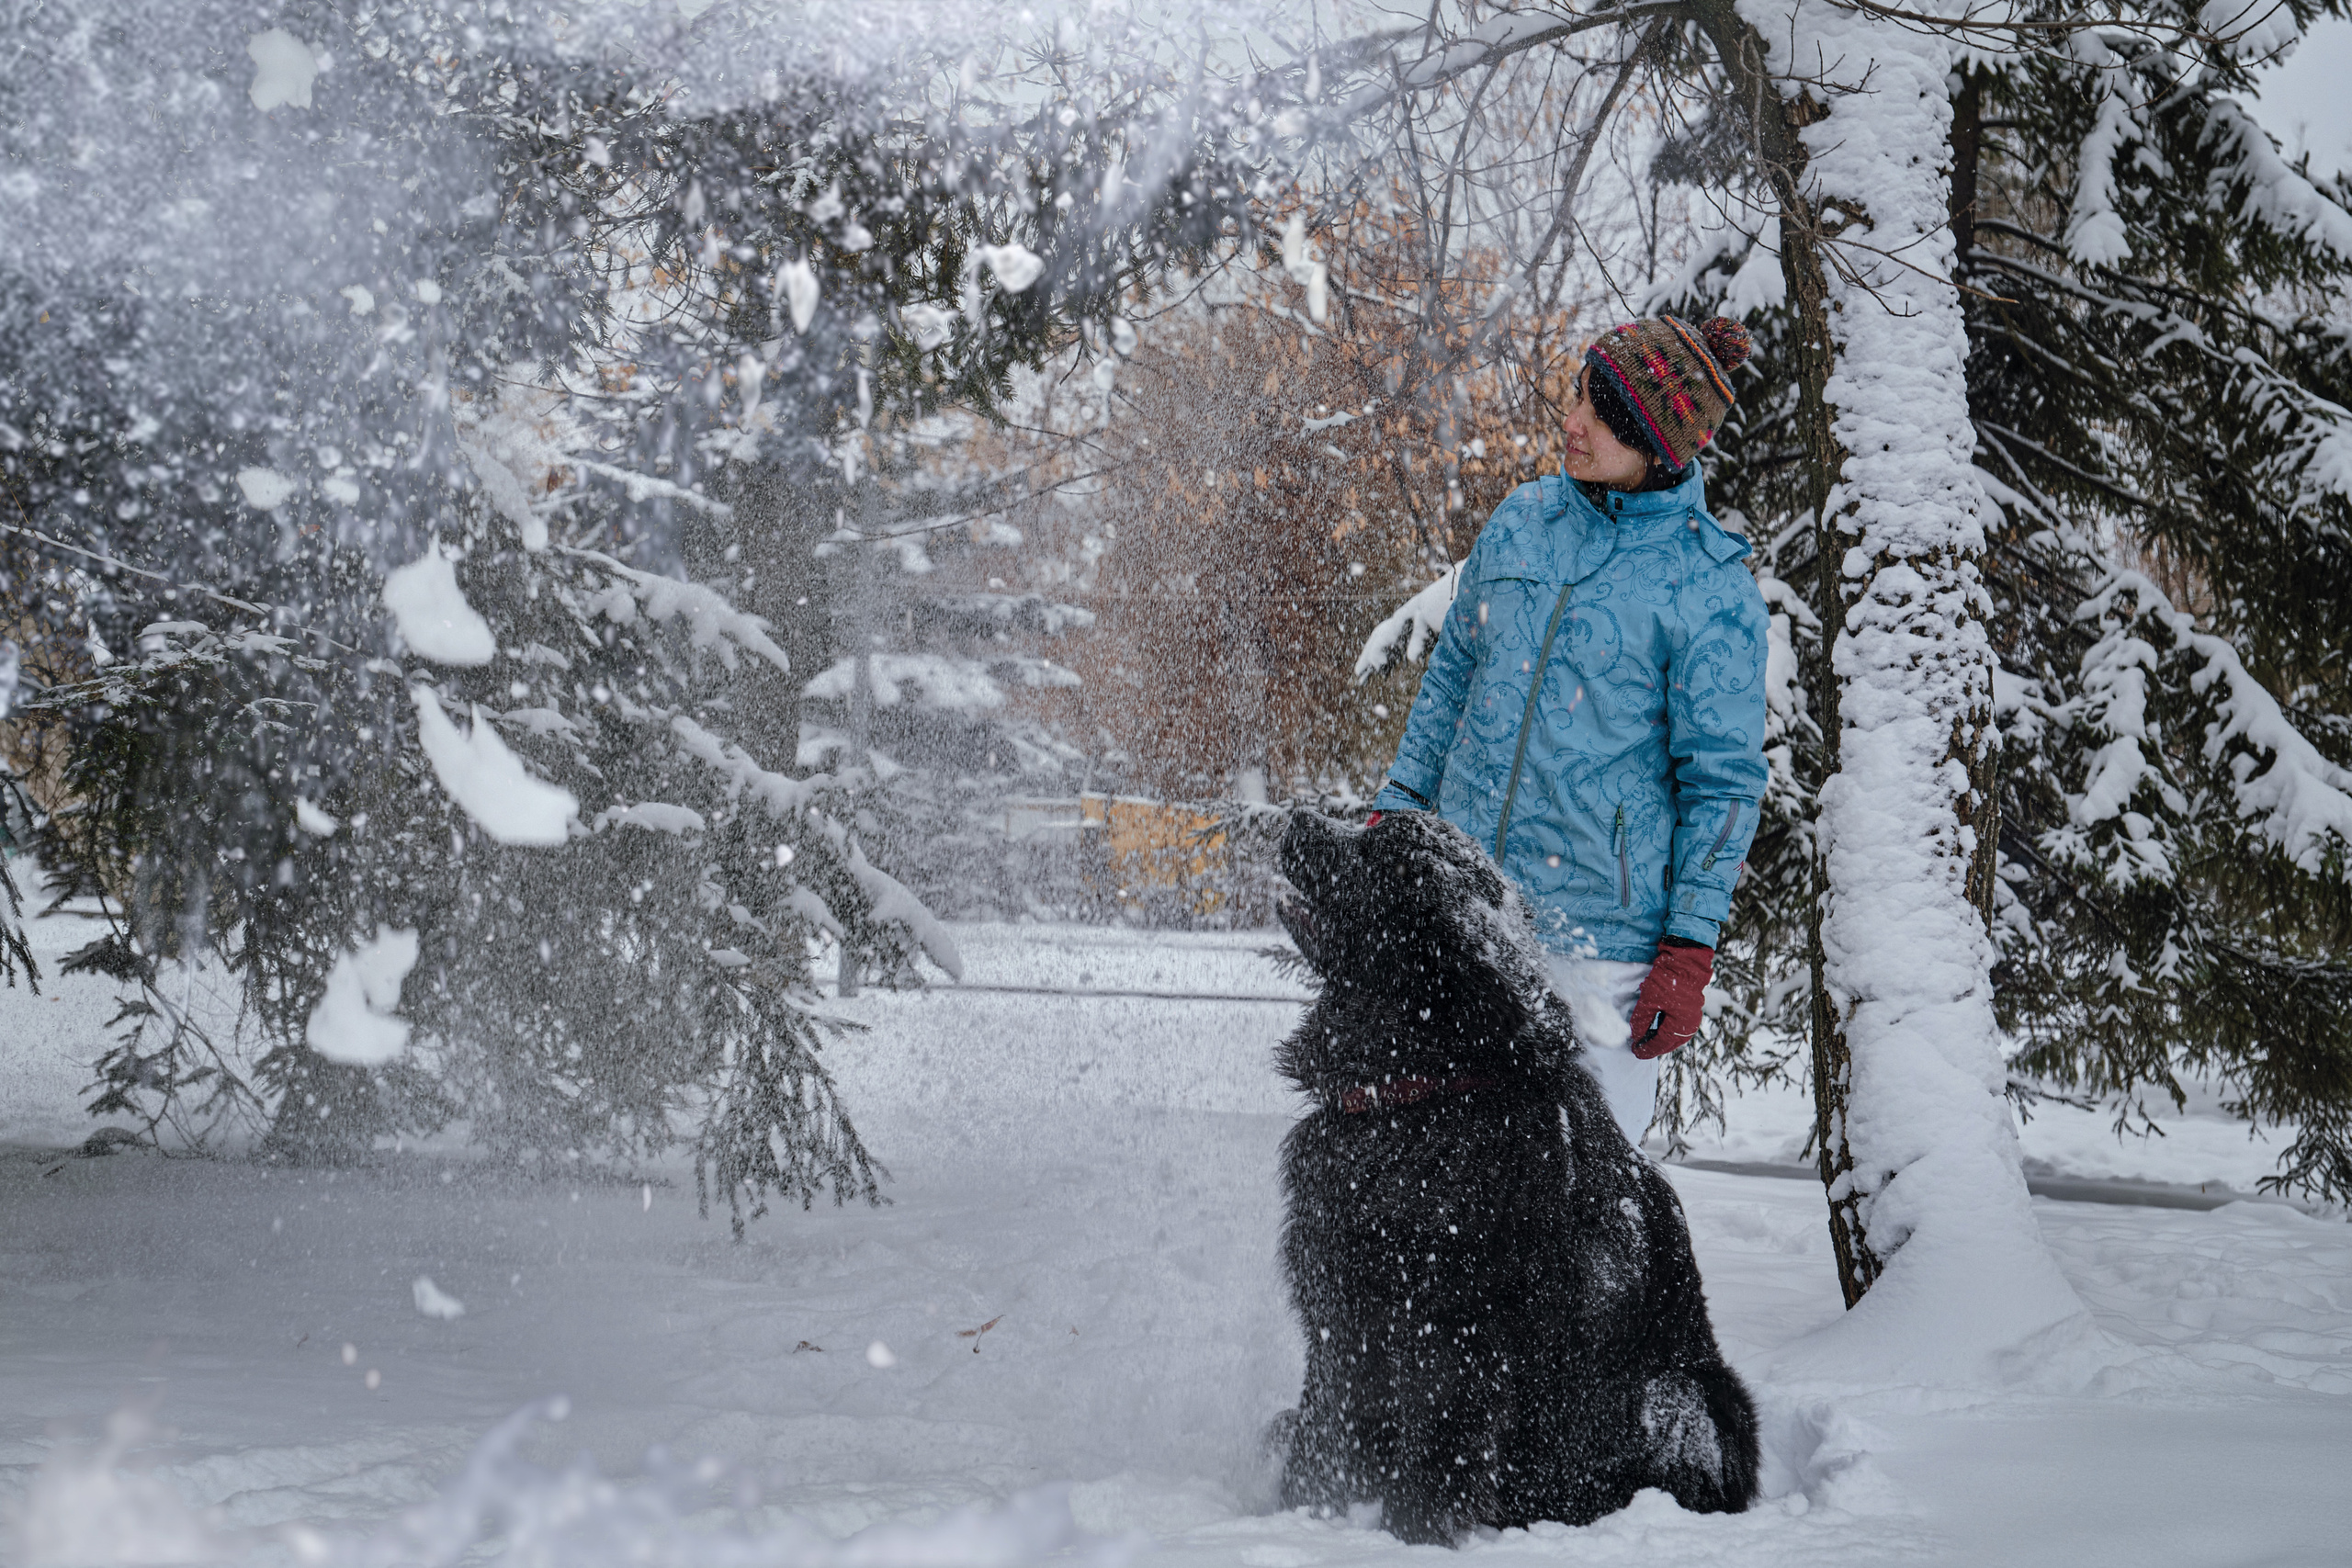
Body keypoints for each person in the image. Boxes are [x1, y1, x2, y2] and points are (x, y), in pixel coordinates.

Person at [1369, 316, 1769, 1146]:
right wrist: (1400, 803)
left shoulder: (1707, 586)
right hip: (1467, 916)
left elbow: (1723, 786)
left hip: (1599, 952)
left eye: (1604, 415)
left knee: (1578, 1218)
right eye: (1582, 393)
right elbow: (1453, 675)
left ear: (1657, 448)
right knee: (1442, 1188)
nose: (1573, 421)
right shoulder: (1522, 519)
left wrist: (1689, 947)